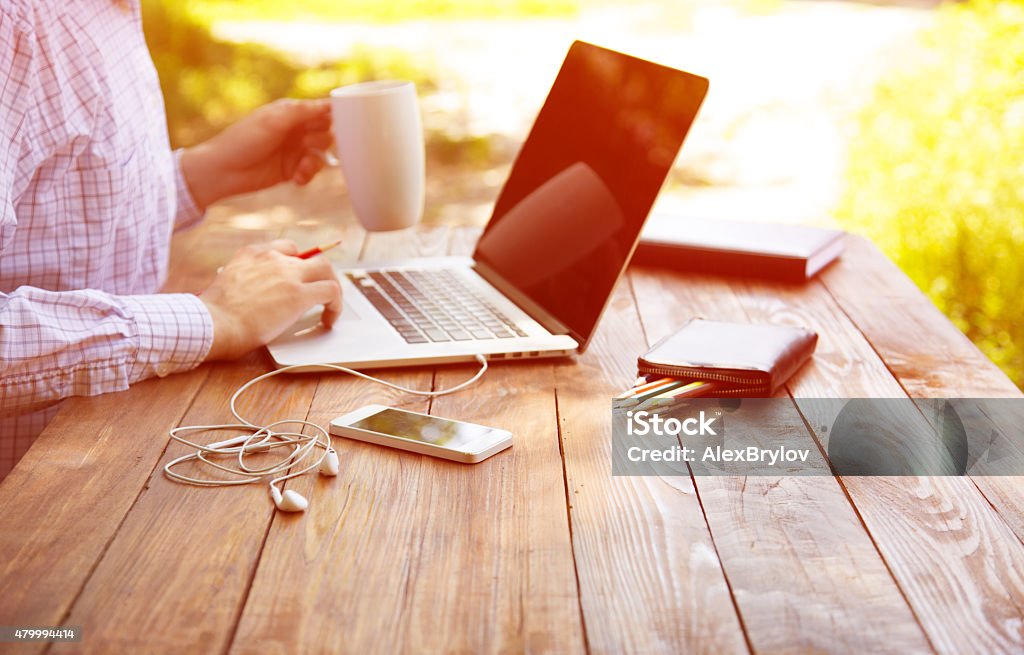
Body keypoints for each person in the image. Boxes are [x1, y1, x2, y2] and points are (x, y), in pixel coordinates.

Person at [0, 1, 344, 479]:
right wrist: (214, 319)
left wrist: (207, 173)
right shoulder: (14, 24)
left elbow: (59, 218)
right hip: (28, 504)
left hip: (117, 449)